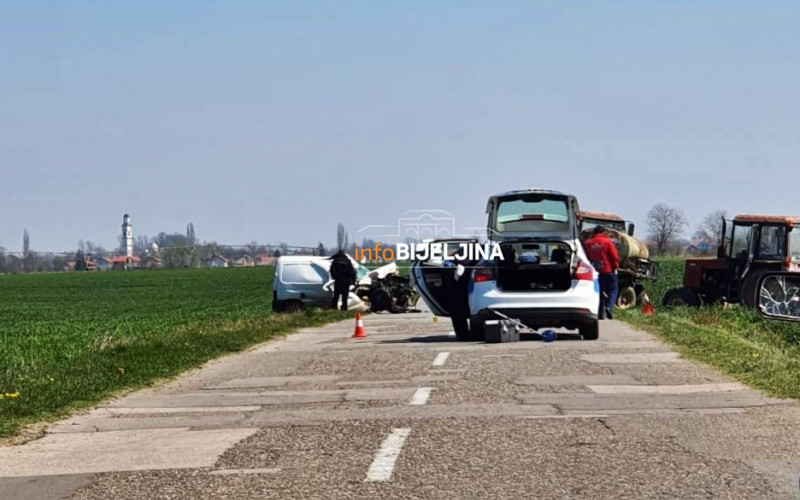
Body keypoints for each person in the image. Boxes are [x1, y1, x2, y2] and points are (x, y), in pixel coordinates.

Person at [583, 225, 620, 320]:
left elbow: (585, 258)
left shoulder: (587, 243)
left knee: (598, 292)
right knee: (613, 289)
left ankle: (600, 313)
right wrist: (615, 267)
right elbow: (614, 257)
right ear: (603, 232)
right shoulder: (608, 242)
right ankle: (609, 307)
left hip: (594, 272)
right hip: (608, 270)